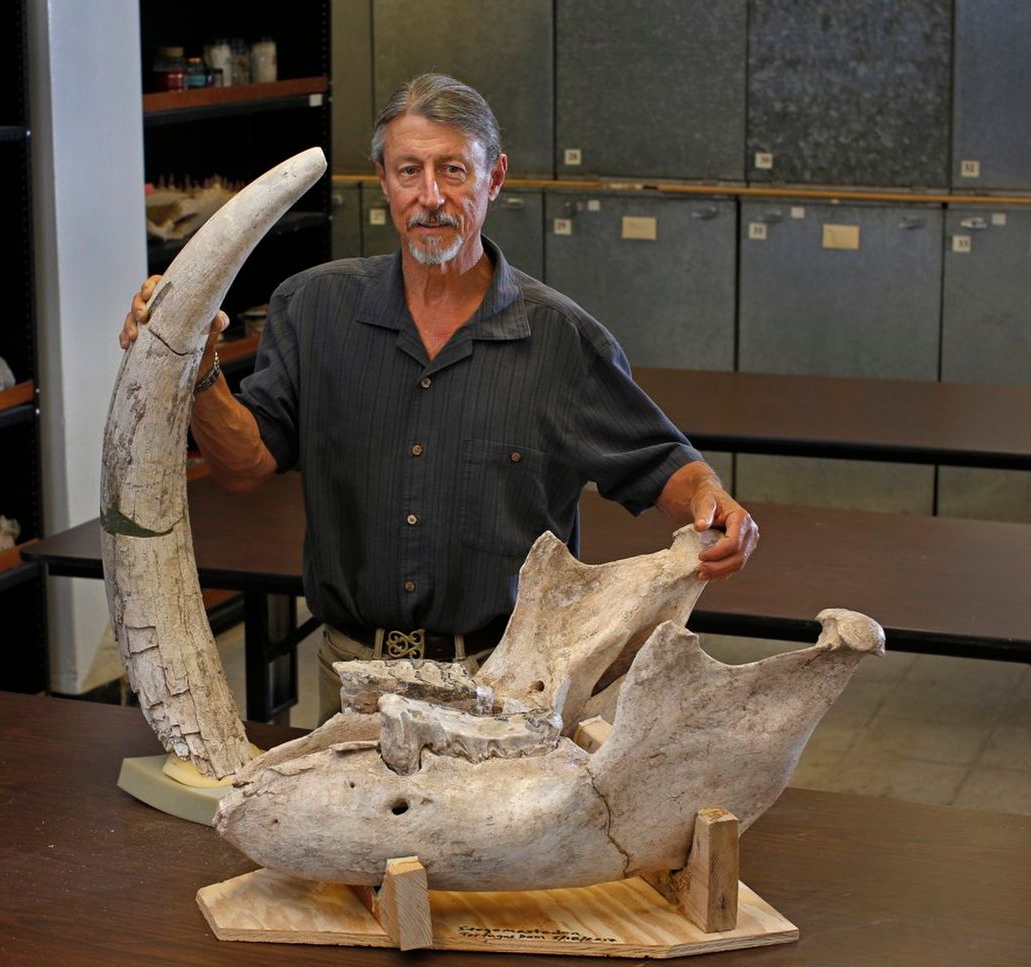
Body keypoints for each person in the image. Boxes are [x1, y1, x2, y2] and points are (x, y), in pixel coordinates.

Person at [120, 74, 759, 721]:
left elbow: (658, 461)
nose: (430, 196)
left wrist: (713, 500)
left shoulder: (559, 338)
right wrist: (194, 367)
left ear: (494, 177)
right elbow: (243, 464)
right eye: (409, 171)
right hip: (351, 679)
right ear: (382, 179)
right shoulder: (312, 308)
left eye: (453, 170)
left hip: (506, 684)